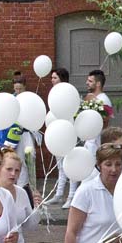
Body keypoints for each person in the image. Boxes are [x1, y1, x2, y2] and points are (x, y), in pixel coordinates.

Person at [63, 144, 122, 243]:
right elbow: (71, 232)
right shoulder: (86, 192)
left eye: (118, 164)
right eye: (108, 164)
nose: (114, 169)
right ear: (99, 166)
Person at [49, 68, 78, 206]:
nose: (52, 80)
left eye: (55, 78)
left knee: (70, 165)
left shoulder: (69, 92)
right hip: (56, 133)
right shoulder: (52, 93)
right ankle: (59, 194)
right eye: (52, 78)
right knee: (60, 166)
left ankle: (71, 196)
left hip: (67, 131)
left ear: (62, 78)